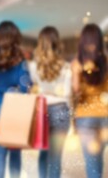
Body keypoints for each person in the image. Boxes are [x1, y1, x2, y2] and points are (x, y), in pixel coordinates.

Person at [0, 21, 32, 178]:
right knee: (15, 152)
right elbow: (25, 88)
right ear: (16, 39)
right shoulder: (20, 61)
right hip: (13, 110)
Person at [28, 27, 72, 178]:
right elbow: (67, 94)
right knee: (55, 158)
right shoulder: (66, 66)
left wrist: (44, 92)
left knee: (43, 154)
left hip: (41, 111)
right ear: (57, 42)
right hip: (61, 111)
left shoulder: (33, 66)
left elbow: (32, 89)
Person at [71, 24, 108, 178]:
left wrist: (77, 73)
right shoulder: (106, 60)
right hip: (106, 116)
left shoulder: (77, 62)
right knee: (99, 160)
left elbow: (76, 90)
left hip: (86, 116)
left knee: (92, 163)